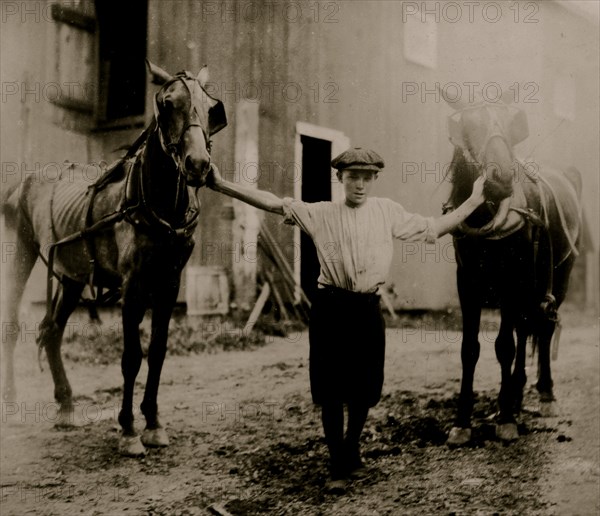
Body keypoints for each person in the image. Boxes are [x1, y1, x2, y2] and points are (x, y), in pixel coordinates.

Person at [207, 147, 485, 492]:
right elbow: (272, 202)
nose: (360, 185)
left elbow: (434, 227)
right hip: (331, 308)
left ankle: (352, 449)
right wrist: (221, 185)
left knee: (365, 387)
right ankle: (337, 464)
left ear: (374, 180)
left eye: (367, 178)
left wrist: (472, 202)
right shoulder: (321, 213)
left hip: (368, 309)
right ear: (340, 178)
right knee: (332, 388)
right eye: (353, 177)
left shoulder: (388, 212)